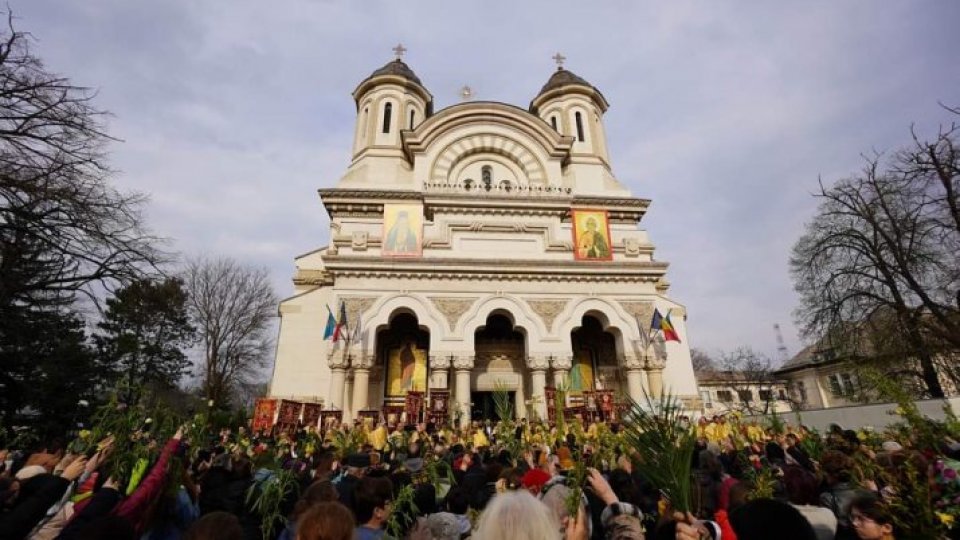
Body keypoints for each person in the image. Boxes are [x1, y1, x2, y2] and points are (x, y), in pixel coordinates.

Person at [354, 476, 393, 540]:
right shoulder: (385, 538)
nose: (391, 506)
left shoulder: (348, 534)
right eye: (388, 503)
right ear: (377, 511)